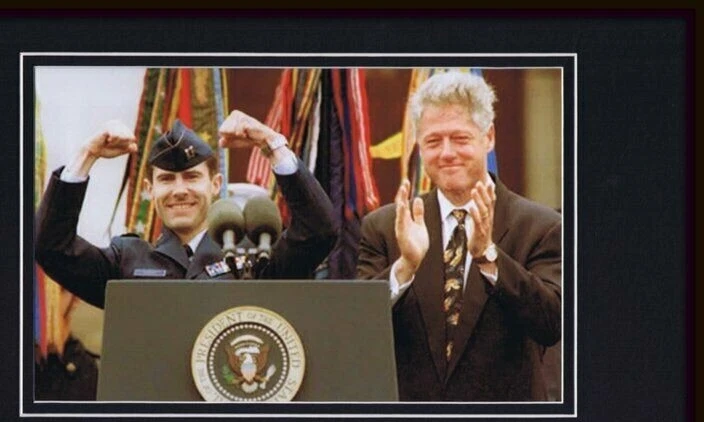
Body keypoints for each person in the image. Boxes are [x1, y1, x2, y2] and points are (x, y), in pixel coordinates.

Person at [357, 71, 561, 401]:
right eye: (433, 142)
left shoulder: (541, 226)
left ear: (488, 137)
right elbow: (358, 330)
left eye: (460, 138)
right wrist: (405, 267)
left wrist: (489, 257)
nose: (447, 153)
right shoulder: (386, 226)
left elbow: (552, 324)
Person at [36, 110, 337, 309]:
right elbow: (50, 247)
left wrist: (272, 144)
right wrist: (86, 154)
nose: (179, 190)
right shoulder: (125, 261)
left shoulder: (257, 257)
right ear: (149, 189)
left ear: (216, 184)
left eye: (192, 177)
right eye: (166, 179)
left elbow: (319, 231)